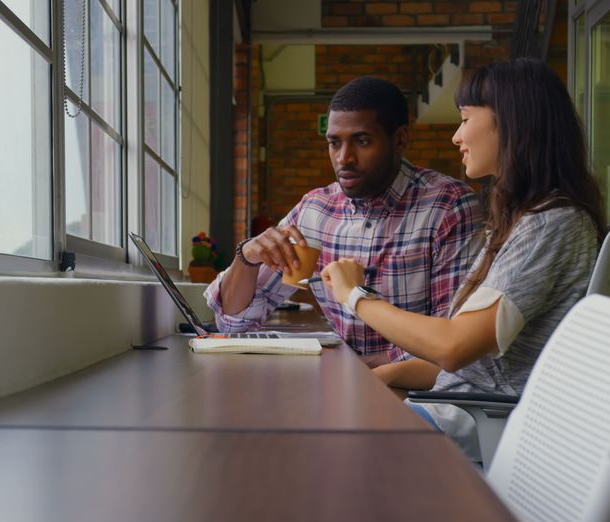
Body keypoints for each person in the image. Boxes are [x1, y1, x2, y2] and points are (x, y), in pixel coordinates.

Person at [320, 58, 607, 442]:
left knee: (310, 428)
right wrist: (389, 374)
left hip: (477, 422)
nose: (456, 136)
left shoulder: (550, 224)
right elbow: (467, 361)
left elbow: (454, 347)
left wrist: (354, 295)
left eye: (466, 118)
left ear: (511, 123)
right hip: (457, 406)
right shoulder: (524, 221)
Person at [204, 76, 483, 364]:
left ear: (399, 139)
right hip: (345, 384)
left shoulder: (446, 205)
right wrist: (247, 256)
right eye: (334, 143)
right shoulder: (315, 211)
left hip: (417, 394)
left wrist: (355, 367)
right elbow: (234, 324)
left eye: (362, 141)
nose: (344, 158)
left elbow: (453, 340)